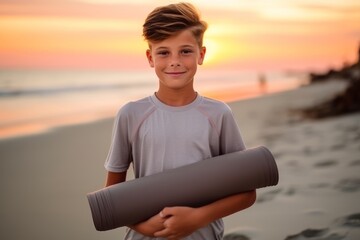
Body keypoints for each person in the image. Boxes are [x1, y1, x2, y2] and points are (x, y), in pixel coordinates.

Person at [104, 2, 256, 240]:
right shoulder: (131, 114)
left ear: (201, 54)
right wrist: (146, 228)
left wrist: (197, 218)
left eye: (185, 51)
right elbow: (112, 195)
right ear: (150, 57)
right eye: (163, 52)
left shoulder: (218, 114)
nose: (174, 61)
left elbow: (247, 193)